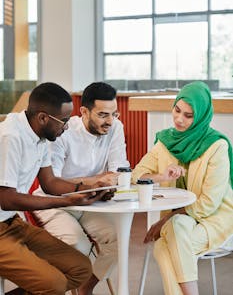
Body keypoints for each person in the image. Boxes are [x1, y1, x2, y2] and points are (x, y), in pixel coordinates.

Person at [0, 82, 116, 295]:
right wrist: (66, 201)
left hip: (10, 222)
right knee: (53, 285)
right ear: (43, 117)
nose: (67, 127)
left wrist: (85, 189)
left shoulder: (41, 135)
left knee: (80, 269)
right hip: (2, 222)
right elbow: (6, 199)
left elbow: (50, 183)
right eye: (63, 121)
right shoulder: (11, 136)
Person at [132, 81, 233, 295]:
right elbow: (137, 175)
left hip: (213, 218)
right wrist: (161, 175)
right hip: (178, 222)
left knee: (165, 245)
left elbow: (208, 204)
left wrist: (164, 220)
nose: (179, 119)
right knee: (175, 230)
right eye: (177, 110)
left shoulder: (217, 146)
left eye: (188, 115)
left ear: (202, 116)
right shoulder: (166, 142)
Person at [33, 82, 130, 295]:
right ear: (84, 111)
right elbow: (53, 182)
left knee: (118, 241)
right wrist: (96, 179)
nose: (110, 121)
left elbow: (118, 171)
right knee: (79, 245)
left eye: (115, 114)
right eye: (103, 115)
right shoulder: (62, 131)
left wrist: (102, 183)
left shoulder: (115, 128)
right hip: (55, 202)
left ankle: (86, 288)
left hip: (89, 201)